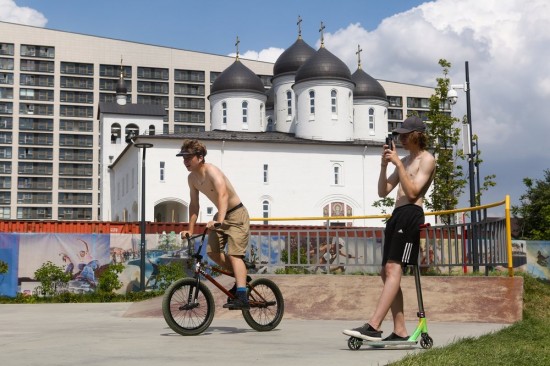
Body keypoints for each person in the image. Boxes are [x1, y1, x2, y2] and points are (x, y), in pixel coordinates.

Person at [343, 115, 436, 342]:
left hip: (411, 215)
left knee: (394, 269)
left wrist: (397, 163)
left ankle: (374, 325)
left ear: (416, 136)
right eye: (400, 135)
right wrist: (385, 165)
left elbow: (413, 192)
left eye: (405, 135)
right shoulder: (403, 161)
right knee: (385, 272)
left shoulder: (427, 159)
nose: (401, 139)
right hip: (397, 215)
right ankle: (400, 330)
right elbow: (383, 191)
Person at [178, 139, 251, 310]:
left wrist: (219, 221)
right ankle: (241, 276)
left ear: (200, 157)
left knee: (234, 255)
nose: (185, 161)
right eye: (183, 158)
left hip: (237, 214)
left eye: (189, 157)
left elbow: (223, 195)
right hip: (221, 215)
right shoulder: (192, 178)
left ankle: (242, 295)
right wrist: (189, 229)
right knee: (213, 253)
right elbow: (194, 204)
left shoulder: (212, 171)